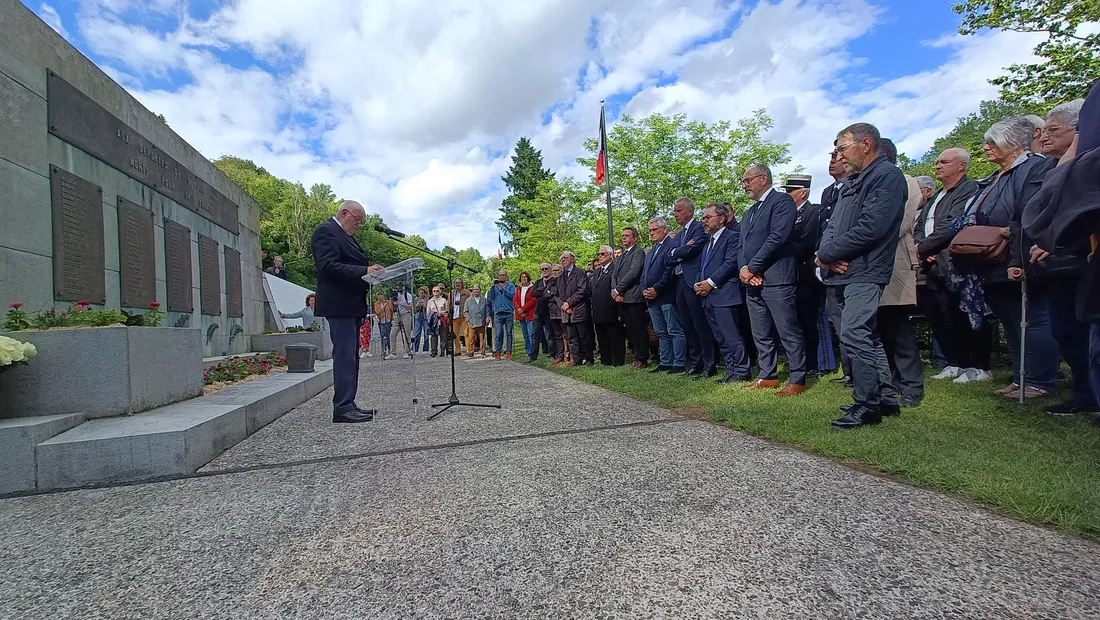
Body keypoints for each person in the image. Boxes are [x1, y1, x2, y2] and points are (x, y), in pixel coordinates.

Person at [817, 123, 906, 430]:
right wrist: (824, 255)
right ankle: (885, 397)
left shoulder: (886, 176)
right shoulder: (855, 181)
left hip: (866, 269)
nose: (839, 156)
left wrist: (828, 254)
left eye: (842, 148)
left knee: (855, 332)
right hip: (845, 270)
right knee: (866, 334)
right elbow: (834, 225)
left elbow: (872, 227)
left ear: (865, 144)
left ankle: (866, 404)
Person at [962, 116, 1059, 401]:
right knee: (1010, 320)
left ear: (1015, 144)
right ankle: (1020, 377)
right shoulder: (997, 176)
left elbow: (1029, 212)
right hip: (992, 259)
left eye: (993, 142)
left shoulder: (1034, 167)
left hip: (1017, 254)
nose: (986, 147)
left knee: (1032, 319)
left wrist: (1017, 253)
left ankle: (1041, 380)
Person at [915, 148, 989, 384]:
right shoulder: (936, 197)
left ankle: (978, 365)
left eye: (944, 162)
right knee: (940, 315)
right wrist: (922, 248)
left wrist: (924, 248)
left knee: (965, 313)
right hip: (931, 265)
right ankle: (955, 362)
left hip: (956, 263)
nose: (938, 166)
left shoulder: (969, 189)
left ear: (961, 166)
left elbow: (953, 223)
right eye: (937, 162)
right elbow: (919, 226)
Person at [311, 200, 383, 423]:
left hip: (351, 305)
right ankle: (342, 407)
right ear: (344, 213)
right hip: (339, 305)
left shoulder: (346, 236)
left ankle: (348, 403)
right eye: (357, 220)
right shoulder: (326, 231)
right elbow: (328, 266)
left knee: (351, 358)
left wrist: (371, 274)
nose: (358, 225)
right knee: (344, 357)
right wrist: (364, 270)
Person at [738, 164, 807, 396]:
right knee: (761, 332)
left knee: (787, 330)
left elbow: (777, 237)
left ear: (763, 178)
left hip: (777, 277)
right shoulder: (750, 212)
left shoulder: (781, 202)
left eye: (747, 180)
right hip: (752, 281)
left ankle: (797, 378)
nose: (744, 185)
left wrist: (753, 267)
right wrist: (743, 269)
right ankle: (767, 376)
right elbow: (741, 246)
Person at [876, 139, 925, 407]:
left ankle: (912, 385)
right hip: (871, 264)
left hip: (895, 262)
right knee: (880, 328)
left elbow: (901, 222)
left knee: (898, 325)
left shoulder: (906, 182)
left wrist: (865, 240)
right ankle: (890, 381)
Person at [695, 203, 751, 383]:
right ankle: (731, 370)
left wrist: (710, 283)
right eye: (703, 218)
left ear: (721, 218)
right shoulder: (707, 244)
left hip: (725, 295)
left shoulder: (732, 237)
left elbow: (730, 263)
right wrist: (698, 283)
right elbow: (703, 267)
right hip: (708, 297)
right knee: (720, 337)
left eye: (708, 217)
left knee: (731, 335)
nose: (704, 221)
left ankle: (742, 371)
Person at [785, 174, 834, 377]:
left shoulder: (812, 212)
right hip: (793, 275)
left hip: (808, 273)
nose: (787, 194)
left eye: (790, 191)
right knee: (799, 321)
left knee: (814, 320)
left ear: (803, 192)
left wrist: (783, 251)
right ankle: (805, 362)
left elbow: (808, 241)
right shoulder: (789, 215)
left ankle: (820, 363)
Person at [667, 198, 716, 378]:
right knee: (687, 325)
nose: (676, 214)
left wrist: (677, 251)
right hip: (679, 283)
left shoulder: (698, 228)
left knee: (700, 324)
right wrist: (679, 251)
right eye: (675, 211)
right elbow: (668, 258)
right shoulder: (681, 234)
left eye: (679, 210)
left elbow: (693, 250)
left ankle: (709, 364)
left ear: (689, 211)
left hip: (692, 282)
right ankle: (695, 364)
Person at [641, 218, 684, 373]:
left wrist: (657, 289)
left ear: (664, 229)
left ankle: (679, 362)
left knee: (674, 329)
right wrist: (644, 289)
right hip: (651, 299)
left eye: (655, 230)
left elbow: (669, 271)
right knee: (660, 332)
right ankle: (665, 361)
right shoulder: (651, 251)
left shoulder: (672, 246)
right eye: (650, 230)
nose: (651, 233)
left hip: (666, 295)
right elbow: (644, 274)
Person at [612, 227, 649, 369]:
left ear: (635, 238)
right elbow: (615, 274)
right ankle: (636, 356)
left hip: (634, 296)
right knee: (631, 330)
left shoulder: (638, 252)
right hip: (623, 298)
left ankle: (642, 358)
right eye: (623, 235)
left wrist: (618, 289)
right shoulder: (622, 255)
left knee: (639, 329)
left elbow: (634, 272)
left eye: (627, 235)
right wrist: (615, 292)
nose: (624, 238)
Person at [557, 251, 594, 366]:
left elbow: (582, 290)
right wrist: (564, 305)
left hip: (579, 309)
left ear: (572, 259)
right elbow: (557, 294)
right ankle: (576, 359)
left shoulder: (580, 273)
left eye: (565, 258)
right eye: (561, 258)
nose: (563, 260)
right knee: (572, 337)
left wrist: (569, 303)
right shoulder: (560, 277)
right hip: (567, 312)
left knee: (584, 336)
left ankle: (589, 359)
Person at [591, 245, 625, 366]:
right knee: (602, 336)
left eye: (602, 254)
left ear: (610, 255)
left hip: (611, 308)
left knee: (614, 336)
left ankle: (617, 360)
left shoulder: (615, 268)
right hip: (598, 309)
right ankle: (605, 360)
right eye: (599, 254)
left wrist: (620, 310)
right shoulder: (598, 271)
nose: (599, 256)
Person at [488, 270, 517, 360]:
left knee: (509, 333)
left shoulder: (510, 285)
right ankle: (498, 352)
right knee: (498, 333)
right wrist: (492, 287)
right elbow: (490, 298)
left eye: (503, 275)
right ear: (498, 276)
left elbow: (513, 295)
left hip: (508, 312)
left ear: (506, 276)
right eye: (500, 275)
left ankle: (509, 352)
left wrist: (503, 288)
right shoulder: (495, 287)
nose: (502, 277)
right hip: (498, 313)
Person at [528, 263, 554, 362]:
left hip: (549, 312)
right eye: (542, 269)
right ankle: (533, 356)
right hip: (538, 312)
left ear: (550, 269)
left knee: (550, 335)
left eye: (546, 268)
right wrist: (544, 291)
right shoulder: (538, 282)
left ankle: (552, 354)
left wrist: (540, 291)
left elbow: (552, 293)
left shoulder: (553, 281)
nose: (544, 271)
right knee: (535, 335)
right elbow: (532, 293)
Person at [514, 272, 537, 360]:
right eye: (522, 277)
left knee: (531, 334)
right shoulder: (518, 289)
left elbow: (533, 300)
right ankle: (528, 351)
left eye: (525, 277)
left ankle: (533, 352)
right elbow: (515, 300)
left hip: (530, 314)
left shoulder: (532, 288)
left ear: (528, 278)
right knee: (525, 335)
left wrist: (523, 309)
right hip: (521, 315)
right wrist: (519, 309)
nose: (524, 278)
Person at [391, 281, 414, 359]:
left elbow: (410, 306)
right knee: (392, 334)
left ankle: (407, 351)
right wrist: (392, 301)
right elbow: (392, 306)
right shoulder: (395, 295)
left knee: (407, 334)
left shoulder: (407, 295)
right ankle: (393, 352)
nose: (400, 287)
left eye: (401, 286)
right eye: (398, 286)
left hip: (406, 314)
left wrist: (400, 303)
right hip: (397, 315)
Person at [425, 285, 449, 358]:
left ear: (440, 291)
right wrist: (432, 317)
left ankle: (442, 351)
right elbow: (428, 312)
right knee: (433, 336)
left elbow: (447, 310)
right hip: (433, 321)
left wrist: (444, 313)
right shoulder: (430, 301)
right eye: (434, 291)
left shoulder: (443, 300)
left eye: (437, 291)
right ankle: (433, 351)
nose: (435, 292)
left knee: (443, 335)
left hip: (442, 319)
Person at [463, 286, 487, 356]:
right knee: (471, 338)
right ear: (472, 291)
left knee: (482, 338)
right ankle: (471, 351)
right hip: (472, 322)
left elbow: (487, 309)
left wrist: (487, 317)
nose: (476, 291)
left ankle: (482, 350)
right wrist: (469, 319)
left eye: (477, 289)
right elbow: (465, 312)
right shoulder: (468, 301)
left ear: (480, 290)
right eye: (475, 289)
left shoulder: (484, 300)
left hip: (481, 321)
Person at [450, 279, 472, 355]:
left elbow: (471, 302)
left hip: (463, 316)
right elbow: (448, 303)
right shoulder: (451, 293)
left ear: (462, 284)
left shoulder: (467, 293)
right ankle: (458, 350)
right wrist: (448, 313)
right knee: (455, 335)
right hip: (454, 316)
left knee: (466, 334)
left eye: (459, 283)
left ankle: (469, 350)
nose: (457, 284)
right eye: (456, 283)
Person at [374, 293, 394, 358]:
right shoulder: (376, 304)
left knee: (388, 335)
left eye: (382, 295)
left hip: (388, 320)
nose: (381, 297)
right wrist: (382, 307)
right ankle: (383, 349)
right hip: (381, 321)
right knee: (383, 335)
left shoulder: (387, 302)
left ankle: (389, 349)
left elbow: (391, 310)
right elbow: (377, 312)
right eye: (379, 296)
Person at [411, 286, 430, 354]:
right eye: (420, 293)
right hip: (418, 317)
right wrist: (417, 306)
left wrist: (424, 306)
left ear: (425, 293)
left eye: (422, 293)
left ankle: (425, 349)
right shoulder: (416, 299)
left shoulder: (428, 300)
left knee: (426, 333)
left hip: (425, 317)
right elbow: (413, 310)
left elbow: (429, 309)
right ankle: (415, 349)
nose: (421, 294)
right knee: (416, 333)